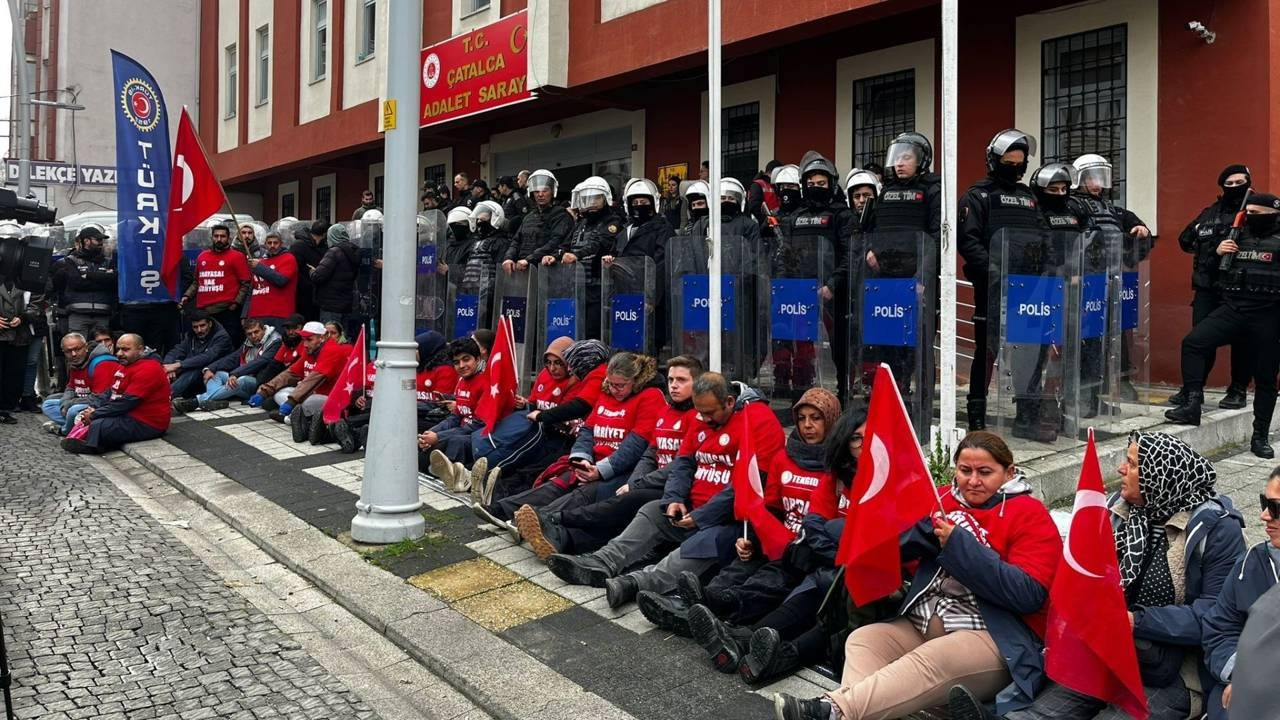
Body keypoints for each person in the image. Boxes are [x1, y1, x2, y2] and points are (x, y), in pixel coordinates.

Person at [951, 431, 1245, 720]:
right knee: (1041, 712)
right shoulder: (1119, 511)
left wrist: (1135, 621)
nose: (1121, 469)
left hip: (1176, 669)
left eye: (1132, 464)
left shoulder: (1216, 530)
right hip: (1106, 653)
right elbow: (1088, 573)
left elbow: (1215, 615)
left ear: (1159, 475)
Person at [773, 431, 1061, 720]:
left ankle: (833, 709)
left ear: (1009, 472)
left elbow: (1028, 593)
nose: (973, 481)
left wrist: (960, 545)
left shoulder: (1030, 514)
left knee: (933, 659)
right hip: (921, 623)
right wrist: (876, 536)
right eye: (965, 471)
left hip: (992, 637)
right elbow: (899, 547)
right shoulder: (942, 499)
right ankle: (847, 711)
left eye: (985, 472)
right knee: (863, 640)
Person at [546, 372, 786, 609]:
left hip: (730, 519)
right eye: (700, 412)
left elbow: (751, 483)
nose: (704, 418)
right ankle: (602, 562)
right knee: (652, 511)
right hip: (693, 506)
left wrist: (703, 516)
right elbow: (683, 462)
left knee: (704, 542)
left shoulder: (758, 421)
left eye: (710, 413)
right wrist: (674, 498)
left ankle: (637, 582)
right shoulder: (704, 415)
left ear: (730, 402)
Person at [638, 387, 840, 636]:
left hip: (807, 552)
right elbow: (772, 508)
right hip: (777, 540)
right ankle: (691, 606)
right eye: (801, 418)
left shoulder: (840, 466)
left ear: (831, 420)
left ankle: (706, 615)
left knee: (767, 583)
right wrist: (753, 539)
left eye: (816, 418)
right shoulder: (784, 458)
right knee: (737, 568)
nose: (808, 425)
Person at [700, 404, 874, 686]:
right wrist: (834, 552)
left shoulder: (888, 483)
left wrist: (835, 551)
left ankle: (754, 644)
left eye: (870, 439)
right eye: (856, 439)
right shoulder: (838, 478)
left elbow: (880, 540)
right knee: (803, 563)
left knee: (822, 586)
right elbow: (814, 524)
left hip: (864, 576)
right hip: (828, 561)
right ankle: (736, 631)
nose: (863, 446)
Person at [514, 354, 705, 560]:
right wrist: (581, 457)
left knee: (610, 501)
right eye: (671, 380)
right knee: (565, 479)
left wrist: (634, 484)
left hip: (669, 487)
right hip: (632, 475)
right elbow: (650, 454)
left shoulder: (696, 415)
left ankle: (551, 521)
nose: (674, 386)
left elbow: (676, 462)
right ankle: (537, 523)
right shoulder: (668, 411)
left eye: (681, 380)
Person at [476, 351, 665, 527]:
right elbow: (587, 430)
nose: (615, 390)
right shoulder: (606, 392)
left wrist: (600, 471)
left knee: (579, 496)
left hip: (619, 470)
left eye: (621, 385)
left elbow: (636, 444)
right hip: (591, 462)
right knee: (555, 485)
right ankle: (501, 510)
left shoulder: (650, 397)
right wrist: (580, 458)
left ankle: (531, 523)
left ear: (636, 380)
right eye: (611, 383)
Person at [1166, 193, 1280, 458]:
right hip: (1234, 308)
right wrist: (1218, 253)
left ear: (1272, 214)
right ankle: (1193, 402)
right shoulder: (1236, 235)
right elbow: (1207, 270)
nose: (1250, 216)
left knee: (1265, 379)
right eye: (1248, 211)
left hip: (1269, 315)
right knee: (1194, 342)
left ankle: (1260, 437)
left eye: (1257, 212)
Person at [958, 129, 1043, 433]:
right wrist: (995, 273)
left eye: (1020, 163)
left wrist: (1044, 271)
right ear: (994, 161)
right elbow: (967, 241)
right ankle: (977, 415)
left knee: (1030, 348)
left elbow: (1045, 236)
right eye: (1008, 162)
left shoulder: (1030, 199)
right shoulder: (978, 196)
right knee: (987, 349)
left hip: (1030, 288)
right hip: (993, 287)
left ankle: (1027, 410)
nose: (1015, 167)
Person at [858, 131, 941, 421]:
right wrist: (869, 251)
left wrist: (922, 278)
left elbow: (936, 237)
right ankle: (891, 398)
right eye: (897, 158)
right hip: (884, 281)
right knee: (886, 344)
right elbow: (866, 229)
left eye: (906, 158)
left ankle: (921, 408)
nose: (899, 164)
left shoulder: (933, 189)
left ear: (921, 161)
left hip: (915, 283)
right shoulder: (884, 191)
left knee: (917, 346)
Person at [1071, 153, 1152, 405]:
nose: (1097, 184)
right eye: (1091, 178)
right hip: (1081, 284)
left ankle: (1103, 392)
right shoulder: (1071, 206)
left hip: (1110, 283)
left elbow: (1138, 237)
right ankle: (1083, 395)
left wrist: (1141, 230)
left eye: (1101, 178)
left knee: (1111, 339)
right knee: (1087, 341)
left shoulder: (1115, 210)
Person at [1171, 165, 1253, 411]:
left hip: (1240, 290)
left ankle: (1238, 389)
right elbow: (1185, 240)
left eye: (1241, 182)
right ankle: (1193, 389)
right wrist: (1214, 248)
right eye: (1229, 183)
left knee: (1243, 341)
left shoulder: (1256, 212)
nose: (1235, 187)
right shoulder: (1209, 214)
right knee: (1200, 340)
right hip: (1207, 288)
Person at [1201, 469, 1280, 720]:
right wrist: (1243, 675)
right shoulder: (1250, 564)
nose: (1264, 515)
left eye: (1276, 507)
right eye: (1264, 503)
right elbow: (1220, 629)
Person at [775, 152, 855, 401]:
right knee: (800, 344)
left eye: (821, 184)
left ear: (831, 184)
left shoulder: (842, 215)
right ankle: (800, 393)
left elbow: (851, 254)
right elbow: (784, 254)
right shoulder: (795, 217)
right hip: (799, 292)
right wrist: (782, 285)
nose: (816, 188)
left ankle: (843, 394)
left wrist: (832, 284)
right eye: (811, 184)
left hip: (833, 293)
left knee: (839, 347)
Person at [463, 336, 575, 504]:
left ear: (569, 363)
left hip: (554, 437)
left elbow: (564, 415)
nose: (552, 368)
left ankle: (487, 485)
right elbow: (534, 401)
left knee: (524, 461)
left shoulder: (575, 382)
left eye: (558, 363)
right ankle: (470, 475)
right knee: (497, 439)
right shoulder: (544, 375)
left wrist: (539, 413)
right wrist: (524, 403)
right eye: (548, 362)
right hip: (533, 429)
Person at [61, 334, 171, 454]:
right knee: (87, 418)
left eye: (125, 349)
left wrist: (95, 414)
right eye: (118, 349)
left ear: (140, 349)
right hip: (128, 416)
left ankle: (93, 446)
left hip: (147, 422)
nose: (119, 353)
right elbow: (110, 392)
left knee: (99, 424)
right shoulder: (125, 366)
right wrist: (92, 409)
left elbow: (127, 402)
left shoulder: (149, 368)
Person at [249, 321, 349, 442]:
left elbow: (314, 379)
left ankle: (294, 420)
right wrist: (264, 391)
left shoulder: (332, 350)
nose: (305, 344)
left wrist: (291, 401)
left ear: (321, 338)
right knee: (279, 394)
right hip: (311, 394)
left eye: (309, 340)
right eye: (303, 339)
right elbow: (291, 373)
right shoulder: (310, 350)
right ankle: (299, 419)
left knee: (307, 401)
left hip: (332, 398)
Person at [421, 336, 489, 489]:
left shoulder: (485, 383)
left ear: (477, 359)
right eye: (457, 362)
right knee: (422, 448)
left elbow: (478, 424)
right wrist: (431, 433)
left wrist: (438, 437)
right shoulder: (461, 382)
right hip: (460, 430)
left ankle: (459, 476)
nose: (462, 365)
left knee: (455, 442)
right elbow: (454, 417)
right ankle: (445, 471)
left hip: (477, 435)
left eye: (466, 359)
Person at [190, 318, 283, 411]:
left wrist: (236, 374)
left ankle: (197, 401)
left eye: (256, 332)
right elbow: (233, 357)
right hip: (246, 378)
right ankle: (216, 401)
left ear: (263, 329)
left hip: (261, 383)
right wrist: (210, 368)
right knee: (217, 374)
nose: (253, 336)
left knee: (240, 380)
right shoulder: (249, 342)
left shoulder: (275, 341)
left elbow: (262, 361)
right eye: (249, 334)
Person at [182, 224, 252, 347]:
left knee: (229, 343)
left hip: (226, 310)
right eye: (216, 236)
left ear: (228, 238)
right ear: (212, 237)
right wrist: (187, 295)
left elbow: (245, 283)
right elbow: (197, 282)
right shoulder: (202, 256)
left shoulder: (237, 256)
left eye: (222, 236)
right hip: (204, 311)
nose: (219, 239)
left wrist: (236, 303)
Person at [42, 332, 119, 435]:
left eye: (77, 349)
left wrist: (69, 404)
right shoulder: (75, 362)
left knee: (73, 411)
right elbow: (71, 387)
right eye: (68, 351)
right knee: (48, 404)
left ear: (86, 347)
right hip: (81, 399)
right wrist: (65, 402)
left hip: (100, 404)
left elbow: (100, 398)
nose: (73, 354)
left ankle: (64, 430)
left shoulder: (102, 364)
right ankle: (77, 425)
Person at [50, 226, 116, 337]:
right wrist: (103, 279)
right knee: (77, 347)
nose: (101, 243)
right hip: (78, 313)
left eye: (102, 240)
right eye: (98, 240)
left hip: (103, 313)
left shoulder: (108, 261)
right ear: (86, 241)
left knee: (102, 348)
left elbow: (113, 281)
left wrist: (88, 275)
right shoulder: (71, 260)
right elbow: (77, 283)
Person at [503, 169, 572, 274]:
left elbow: (555, 242)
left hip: (547, 271)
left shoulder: (561, 215)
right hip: (523, 270)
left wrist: (529, 259)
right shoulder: (528, 217)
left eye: (545, 190)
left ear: (552, 192)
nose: (540, 194)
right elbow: (516, 241)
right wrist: (508, 258)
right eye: (536, 191)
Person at [162, 310, 234, 403]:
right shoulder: (191, 335)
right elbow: (178, 350)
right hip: (195, 371)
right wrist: (168, 364)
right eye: (195, 327)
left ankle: (165, 396)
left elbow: (207, 357)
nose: (199, 330)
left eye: (202, 326)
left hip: (215, 371)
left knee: (194, 369)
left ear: (210, 324)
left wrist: (177, 365)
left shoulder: (221, 336)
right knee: (167, 368)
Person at [0, 276, 42, 424]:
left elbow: (37, 304)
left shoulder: (27, 277)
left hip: (19, 335)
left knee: (14, 375)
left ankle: (5, 409)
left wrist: (23, 317)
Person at [311, 223, 360, 340]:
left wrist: (312, 272)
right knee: (342, 338)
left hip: (330, 304)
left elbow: (318, 276)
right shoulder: (355, 251)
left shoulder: (333, 252)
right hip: (347, 303)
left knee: (328, 338)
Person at [247, 230, 298, 328]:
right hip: (256, 314)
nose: (272, 245)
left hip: (278, 314)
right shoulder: (260, 262)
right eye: (269, 243)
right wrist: (245, 314)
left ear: (281, 244)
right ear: (265, 244)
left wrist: (259, 267)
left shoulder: (288, 258)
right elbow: (251, 290)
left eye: (275, 243)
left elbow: (281, 280)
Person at [289, 220, 328, 320]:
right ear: (324, 234)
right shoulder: (299, 246)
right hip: (303, 293)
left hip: (317, 293)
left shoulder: (322, 246)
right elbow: (294, 269)